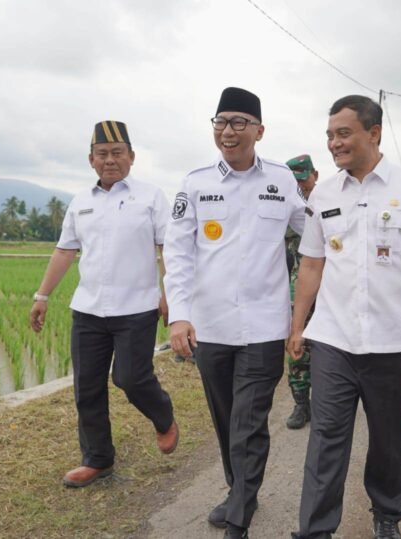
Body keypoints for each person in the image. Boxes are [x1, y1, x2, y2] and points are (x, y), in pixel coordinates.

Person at [288, 95, 401, 539]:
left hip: (392, 340)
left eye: (343, 133)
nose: (334, 143)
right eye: (330, 135)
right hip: (334, 339)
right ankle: (316, 530)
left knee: (388, 438)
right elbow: (311, 264)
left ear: (374, 133)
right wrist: (297, 327)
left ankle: (386, 515)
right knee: (326, 438)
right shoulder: (323, 193)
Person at [163, 87, 306, 539]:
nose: (228, 131)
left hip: (264, 326)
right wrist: (179, 315)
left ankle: (239, 519)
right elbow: (179, 253)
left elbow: (316, 235)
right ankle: (239, 489)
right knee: (226, 418)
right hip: (211, 326)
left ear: (259, 131)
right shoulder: (196, 183)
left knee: (248, 421)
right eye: (221, 122)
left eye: (239, 122)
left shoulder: (282, 181)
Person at [29, 121, 178, 489]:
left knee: (130, 377)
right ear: (91, 160)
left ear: (131, 157)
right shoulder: (81, 202)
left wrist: (169, 294)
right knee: (87, 386)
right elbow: (65, 250)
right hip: (89, 309)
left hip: (137, 307)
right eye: (102, 154)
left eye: (117, 153)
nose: (110, 160)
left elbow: (167, 249)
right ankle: (98, 459)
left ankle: (163, 416)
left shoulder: (152, 196)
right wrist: (42, 296)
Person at [284, 154, 319, 429]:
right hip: (297, 291)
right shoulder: (285, 213)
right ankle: (300, 404)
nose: (301, 186)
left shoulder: (330, 202)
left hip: (330, 289)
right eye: (295, 182)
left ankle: (325, 402)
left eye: (304, 179)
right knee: (297, 348)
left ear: (314, 175)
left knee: (328, 351)